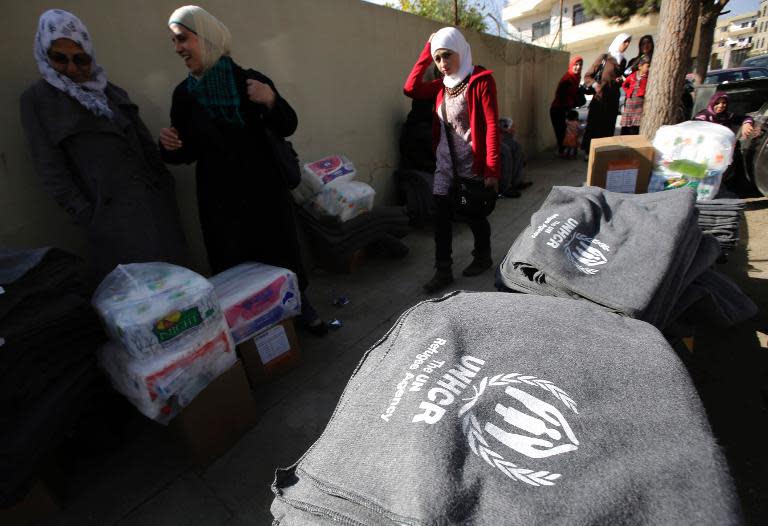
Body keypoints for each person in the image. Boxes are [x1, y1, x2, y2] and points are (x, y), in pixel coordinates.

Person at [158, 5, 326, 335]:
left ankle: (300, 311)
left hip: (263, 191)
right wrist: (170, 146)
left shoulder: (249, 81)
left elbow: (288, 125)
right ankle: (257, 334)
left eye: (183, 39)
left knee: (281, 255)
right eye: (174, 41)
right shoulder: (184, 95)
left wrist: (271, 100)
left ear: (205, 38)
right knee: (236, 268)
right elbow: (186, 152)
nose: (177, 48)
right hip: (219, 200)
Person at [19, 9, 188, 283]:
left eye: (80, 59)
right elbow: (50, 170)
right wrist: (90, 216)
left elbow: (145, 147)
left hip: (156, 212)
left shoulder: (110, 91)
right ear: (45, 53)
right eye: (60, 58)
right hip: (112, 224)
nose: (72, 68)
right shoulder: (38, 101)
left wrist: (164, 187)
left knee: (181, 290)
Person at [403, 27, 500, 293]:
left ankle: (482, 256)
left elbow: (491, 126)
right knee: (441, 218)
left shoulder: (480, 81)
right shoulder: (441, 87)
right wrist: (428, 46)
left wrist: (492, 169)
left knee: (473, 214)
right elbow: (410, 88)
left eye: (447, 55)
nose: (443, 64)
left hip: (472, 165)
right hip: (445, 166)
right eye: (438, 58)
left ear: (461, 51)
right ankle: (443, 270)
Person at [582, 33, 632, 156]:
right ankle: (589, 152)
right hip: (600, 99)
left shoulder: (623, 61)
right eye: (625, 42)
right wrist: (595, 86)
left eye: (628, 42)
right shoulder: (605, 57)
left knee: (608, 127)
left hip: (612, 100)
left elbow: (617, 80)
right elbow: (588, 75)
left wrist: (620, 81)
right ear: (618, 42)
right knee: (594, 126)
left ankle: (603, 153)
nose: (627, 45)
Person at [550, 55, 585, 157]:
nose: (578, 67)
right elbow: (561, 97)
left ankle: (565, 152)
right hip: (558, 110)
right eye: (576, 64)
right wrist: (568, 112)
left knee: (568, 132)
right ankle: (563, 152)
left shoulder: (575, 78)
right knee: (562, 133)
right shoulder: (567, 79)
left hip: (565, 109)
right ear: (571, 65)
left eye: (580, 65)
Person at [620, 54, 650, 135]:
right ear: (640, 66)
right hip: (630, 103)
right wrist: (629, 92)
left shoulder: (648, 77)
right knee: (628, 125)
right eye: (647, 66)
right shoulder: (632, 76)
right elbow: (624, 84)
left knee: (637, 125)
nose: (649, 68)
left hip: (640, 104)